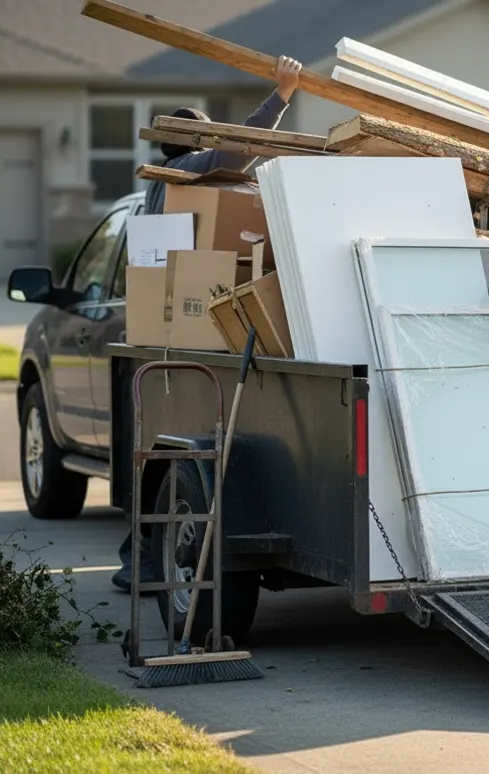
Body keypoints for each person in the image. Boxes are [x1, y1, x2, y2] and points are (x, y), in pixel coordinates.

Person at [112, 56, 302, 594]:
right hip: (193, 328)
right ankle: (141, 560)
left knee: (153, 456)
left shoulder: (155, 191)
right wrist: (282, 94)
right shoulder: (191, 174)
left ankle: (137, 559)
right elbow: (239, 150)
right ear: (196, 144)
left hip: (162, 336)